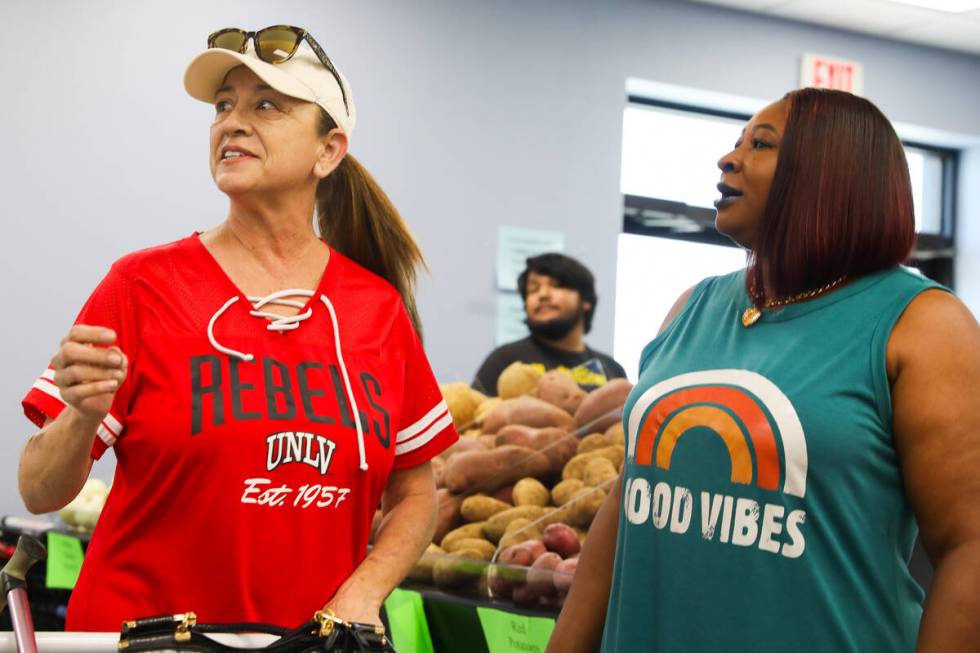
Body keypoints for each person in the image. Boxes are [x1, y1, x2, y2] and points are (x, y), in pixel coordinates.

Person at [18, 25, 458, 632]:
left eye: (267, 105)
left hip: (304, 644)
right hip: (145, 643)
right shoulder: (142, 286)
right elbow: (39, 490)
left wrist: (362, 594)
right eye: (224, 105)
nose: (232, 121)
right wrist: (82, 413)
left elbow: (415, 494)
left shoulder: (375, 308)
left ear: (328, 151)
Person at [548, 88, 980, 652]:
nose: (728, 159)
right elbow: (629, 495)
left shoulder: (922, 324)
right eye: (734, 143)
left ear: (831, 173)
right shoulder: (692, 307)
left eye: (762, 144)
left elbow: (968, 548)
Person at [473, 253, 627, 395]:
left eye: (557, 286)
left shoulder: (612, 370)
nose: (543, 295)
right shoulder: (504, 360)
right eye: (533, 289)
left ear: (586, 300)